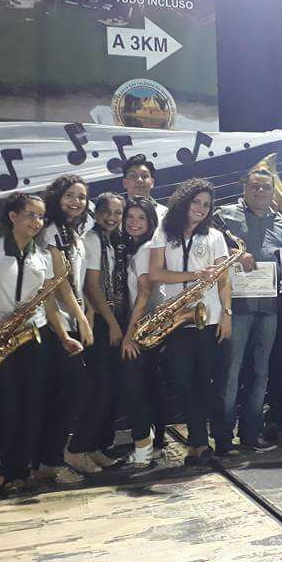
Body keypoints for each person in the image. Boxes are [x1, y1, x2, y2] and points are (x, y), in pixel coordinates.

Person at [0, 193, 81, 495]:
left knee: (33, 406)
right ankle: (7, 469)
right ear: (13, 216)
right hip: (0, 336)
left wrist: (64, 336)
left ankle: (24, 469)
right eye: (31, 215)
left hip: (34, 336)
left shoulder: (43, 255)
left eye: (41, 216)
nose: (37, 222)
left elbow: (48, 302)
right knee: (7, 407)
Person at [148, 178, 232, 464]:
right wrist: (195, 276)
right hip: (177, 320)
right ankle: (197, 441)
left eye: (206, 204)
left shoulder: (215, 236)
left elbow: (224, 281)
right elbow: (156, 273)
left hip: (210, 320)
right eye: (196, 201)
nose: (201, 208)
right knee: (185, 384)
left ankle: (221, 440)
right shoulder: (164, 232)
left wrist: (226, 314)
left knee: (210, 383)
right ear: (184, 201)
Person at [216, 167, 282, 452]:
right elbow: (210, 251)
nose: (260, 192)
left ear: (273, 191)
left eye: (266, 187)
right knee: (230, 373)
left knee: (261, 373)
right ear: (244, 188)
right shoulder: (224, 216)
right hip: (235, 308)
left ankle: (250, 434)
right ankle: (223, 438)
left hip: (269, 309)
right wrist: (235, 256)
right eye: (255, 186)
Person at [39, 175, 95, 482]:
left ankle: (50, 459)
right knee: (70, 391)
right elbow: (59, 283)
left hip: (71, 320)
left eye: (81, 197)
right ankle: (49, 461)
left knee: (69, 393)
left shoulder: (71, 232)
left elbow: (76, 279)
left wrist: (85, 310)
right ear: (56, 197)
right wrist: (81, 318)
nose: (76, 202)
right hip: (55, 323)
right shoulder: (50, 230)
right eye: (70, 195)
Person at [78, 193, 127, 468]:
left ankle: (97, 446)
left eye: (118, 213)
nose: (112, 217)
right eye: (106, 211)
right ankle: (80, 448)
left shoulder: (113, 242)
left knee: (110, 389)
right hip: (99, 321)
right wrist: (112, 324)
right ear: (96, 214)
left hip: (112, 318)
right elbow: (93, 287)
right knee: (100, 389)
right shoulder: (92, 240)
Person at [119, 198, 166, 465]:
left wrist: (129, 335)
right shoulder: (141, 249)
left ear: (151, 222)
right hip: (149, 326)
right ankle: (156, 444)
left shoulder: (146, 250)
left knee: (135, 387)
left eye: (141, 218)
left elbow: (144, 294)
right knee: (150, 386)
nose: (134, 222)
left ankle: (143, 448)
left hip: (144, 328)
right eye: (130, 217)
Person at [122, 154, 168, 219]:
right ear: (124, 183)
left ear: (152, 182)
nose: (139, 180)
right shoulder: (116, 214)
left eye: (145, 176)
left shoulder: (164, 213)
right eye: (133, 176)